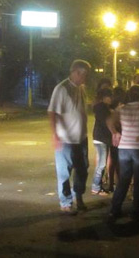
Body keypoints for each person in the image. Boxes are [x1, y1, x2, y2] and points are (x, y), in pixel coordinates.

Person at [107, 85, 139, 223]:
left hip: (124, 147)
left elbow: (109, 121)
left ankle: (115, 209)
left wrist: (115, 132)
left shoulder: (121, 109)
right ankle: (137, 212)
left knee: (124, 180)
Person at [48, 59, 91, 215]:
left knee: (82, 169)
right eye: (84, 75)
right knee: (64, 172)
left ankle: (78, 196)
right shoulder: (61, 89)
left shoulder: (81, 89)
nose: (85, 78)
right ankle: (66, 202)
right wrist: (55, 135)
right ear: (76, 72)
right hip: (66, 139)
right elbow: (52, 112)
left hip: (81, 138)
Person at [91, 88, 113, 195]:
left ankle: (97, 186)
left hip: (101, 138)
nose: (111, 99)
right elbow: (105, 122)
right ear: (104, 98)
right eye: (109, 97)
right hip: (101, 139)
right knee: (101, 164)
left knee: (102, 163)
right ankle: (96, 187)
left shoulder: (103, 107)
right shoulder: (102, 108)